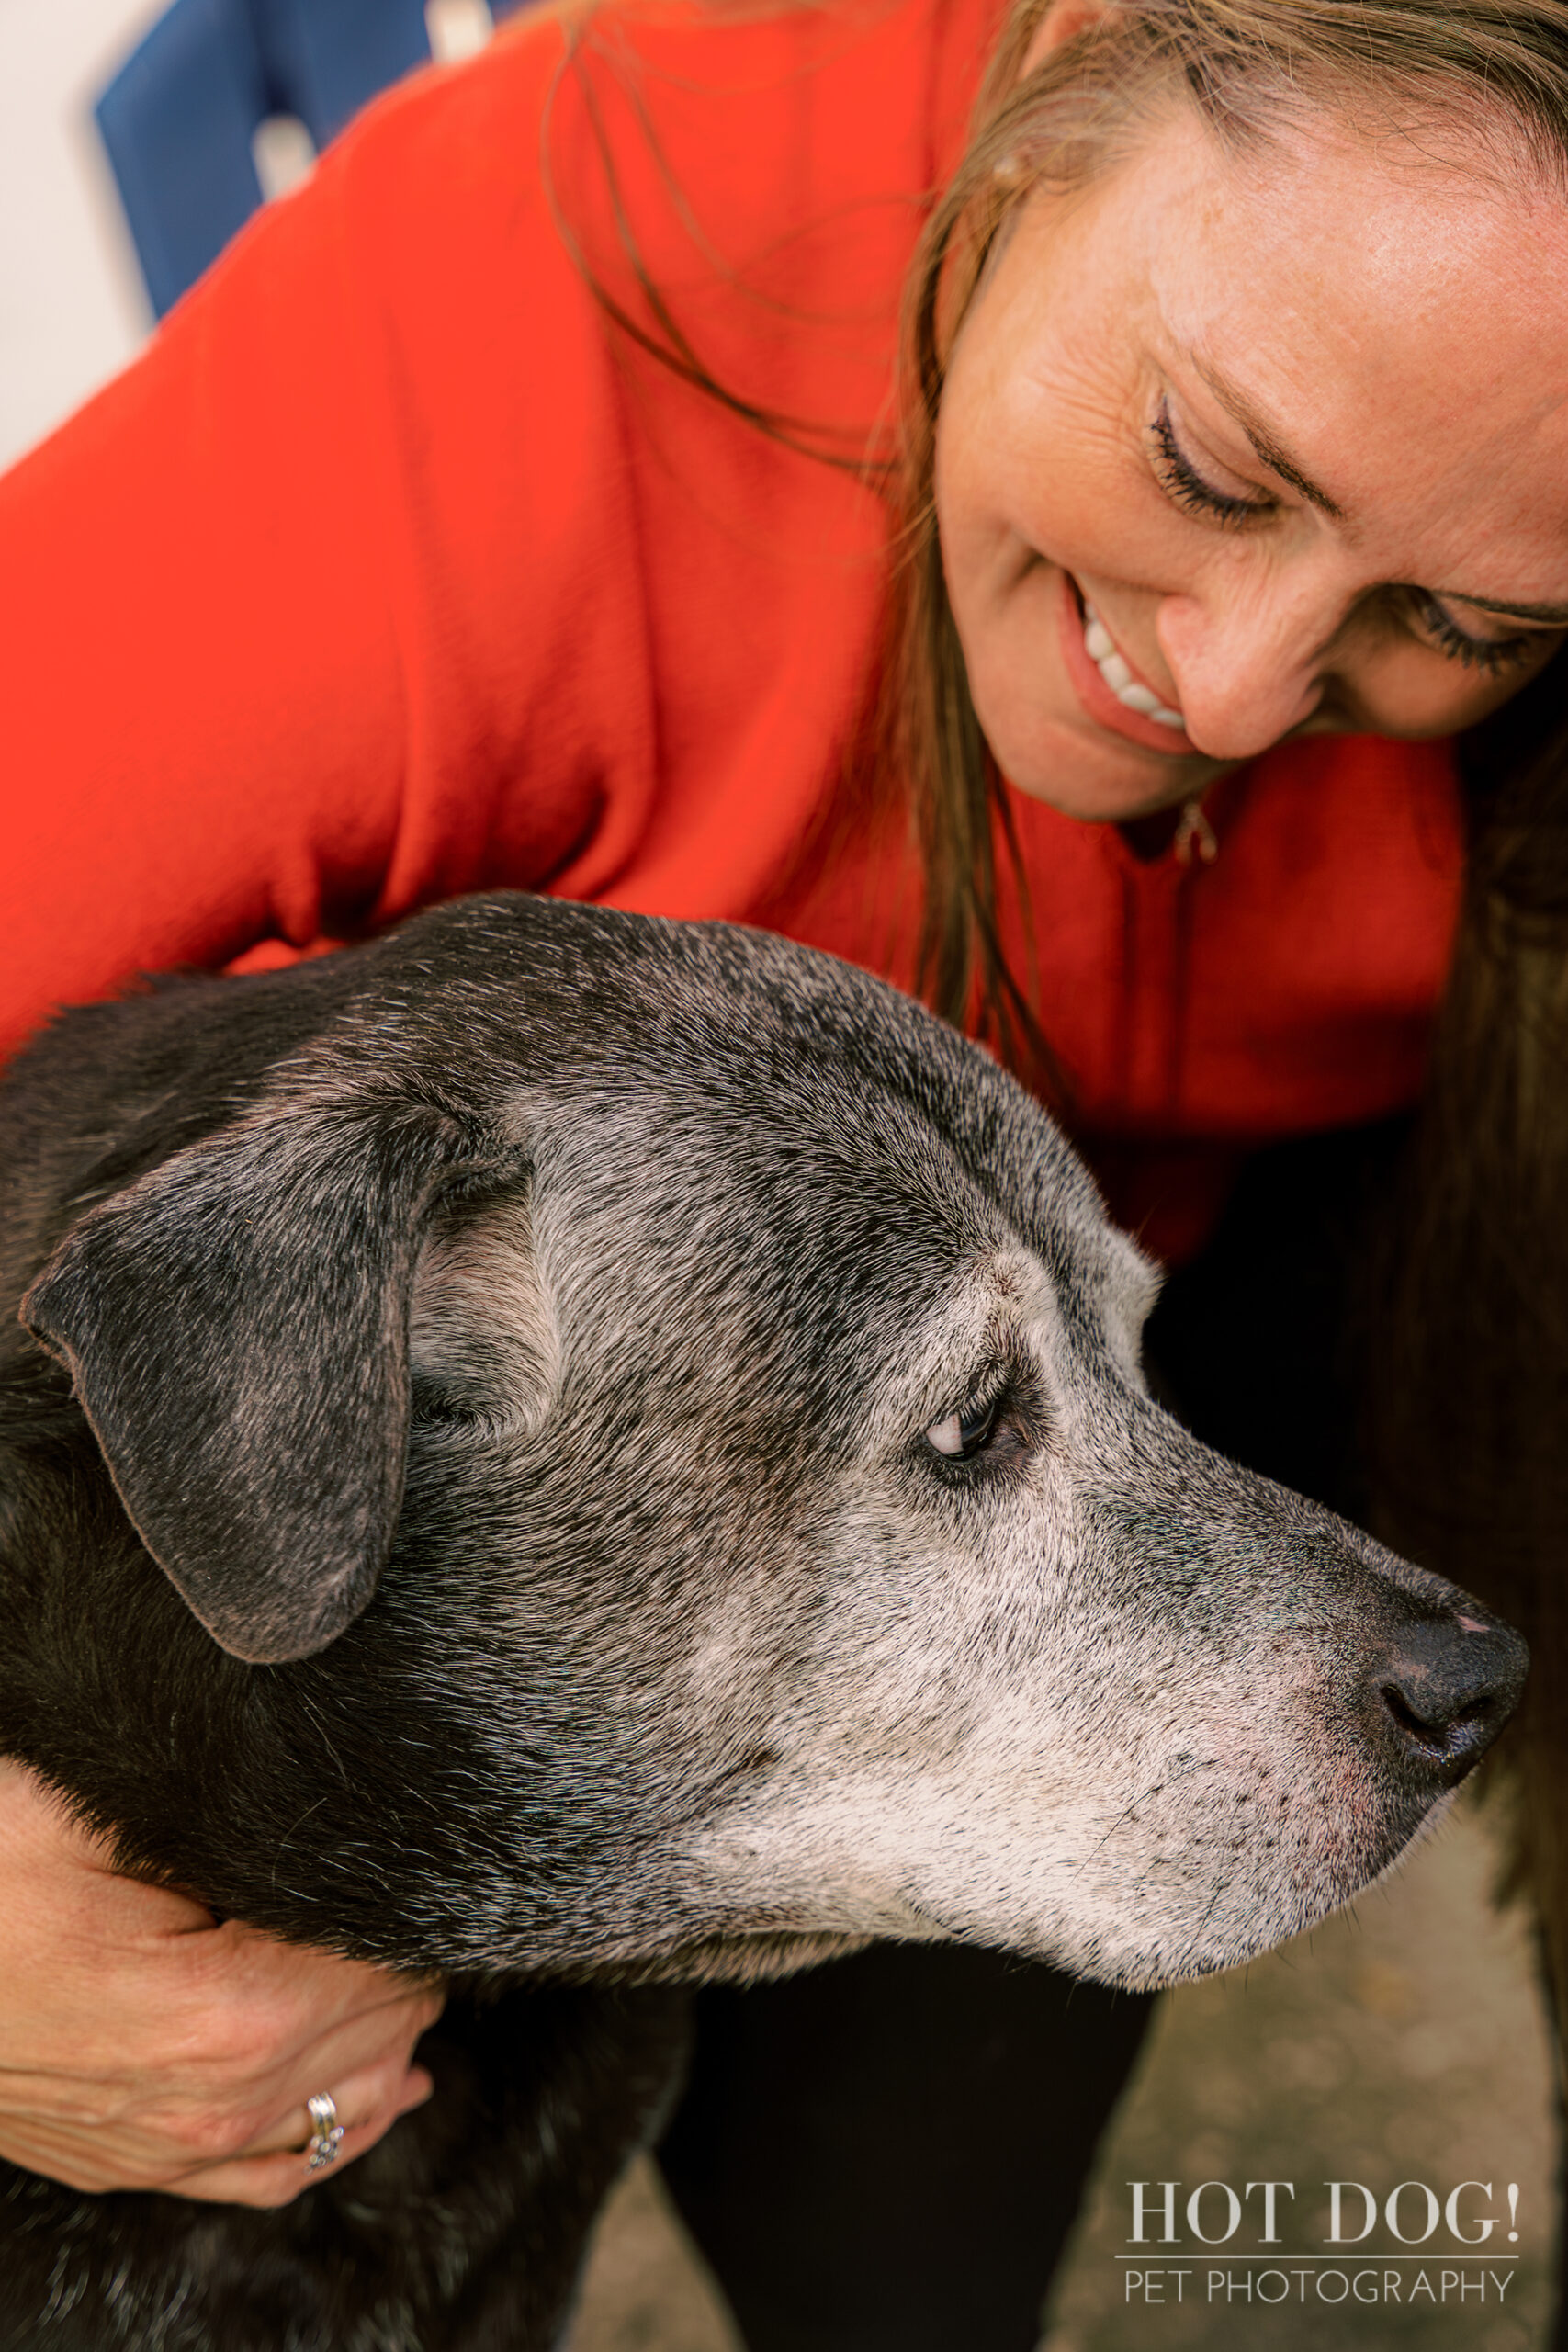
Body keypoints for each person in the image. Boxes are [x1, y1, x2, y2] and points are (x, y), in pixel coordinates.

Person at [3, 0, 1568, 2341]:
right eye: (1205, 463)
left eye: (1454, 625)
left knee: (905, 2254)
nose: (1233, 688)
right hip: (574, 1424)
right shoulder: (477, 383)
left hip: (1115, 1311)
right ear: (1048, 124)